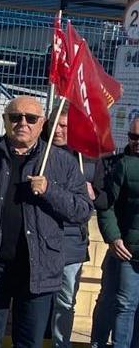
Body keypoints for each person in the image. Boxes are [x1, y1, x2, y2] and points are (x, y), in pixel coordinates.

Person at [0, 96, 91, 348]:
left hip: (40, 267)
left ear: (42, 123)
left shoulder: (62, 162)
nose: (22, 123)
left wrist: (49, 190)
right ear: (5, 120)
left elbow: (81, 210)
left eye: (31, 118)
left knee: (29, 341)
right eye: (15, 117)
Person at [48, 110, 95, 348]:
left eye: (64, 126)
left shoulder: (86, 160)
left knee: (65, 302)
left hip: (72, 244)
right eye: (54, 124)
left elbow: (105, 199)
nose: (58, 130)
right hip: (42, 240)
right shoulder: (40, 154)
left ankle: (61, 344)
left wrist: (93, 195)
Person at [98, 116, 139, 348]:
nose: (137, 142)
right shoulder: (121, 165)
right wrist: (113, 237)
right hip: (127, 251)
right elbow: (106, 205)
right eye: (133, 136)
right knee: (122, 304)